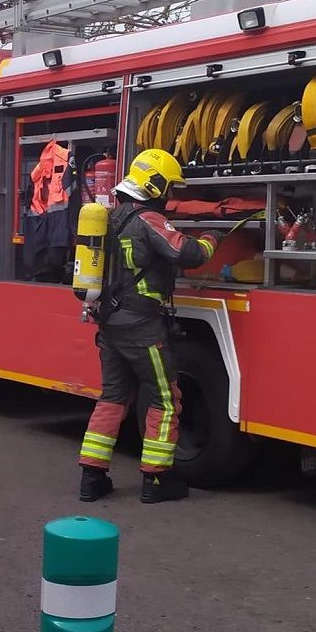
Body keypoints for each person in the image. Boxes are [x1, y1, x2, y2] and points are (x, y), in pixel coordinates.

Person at [78, 149, 220, 504]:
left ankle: (91, 478)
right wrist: (212, 238)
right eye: (168, 188)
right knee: (166, 398)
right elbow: (188, 254)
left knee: (112, 396)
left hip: (110, 323)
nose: (170, 197)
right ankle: (157, 481)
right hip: (141, 326)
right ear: (154, 185)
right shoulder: (149, 219)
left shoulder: (108, 218)